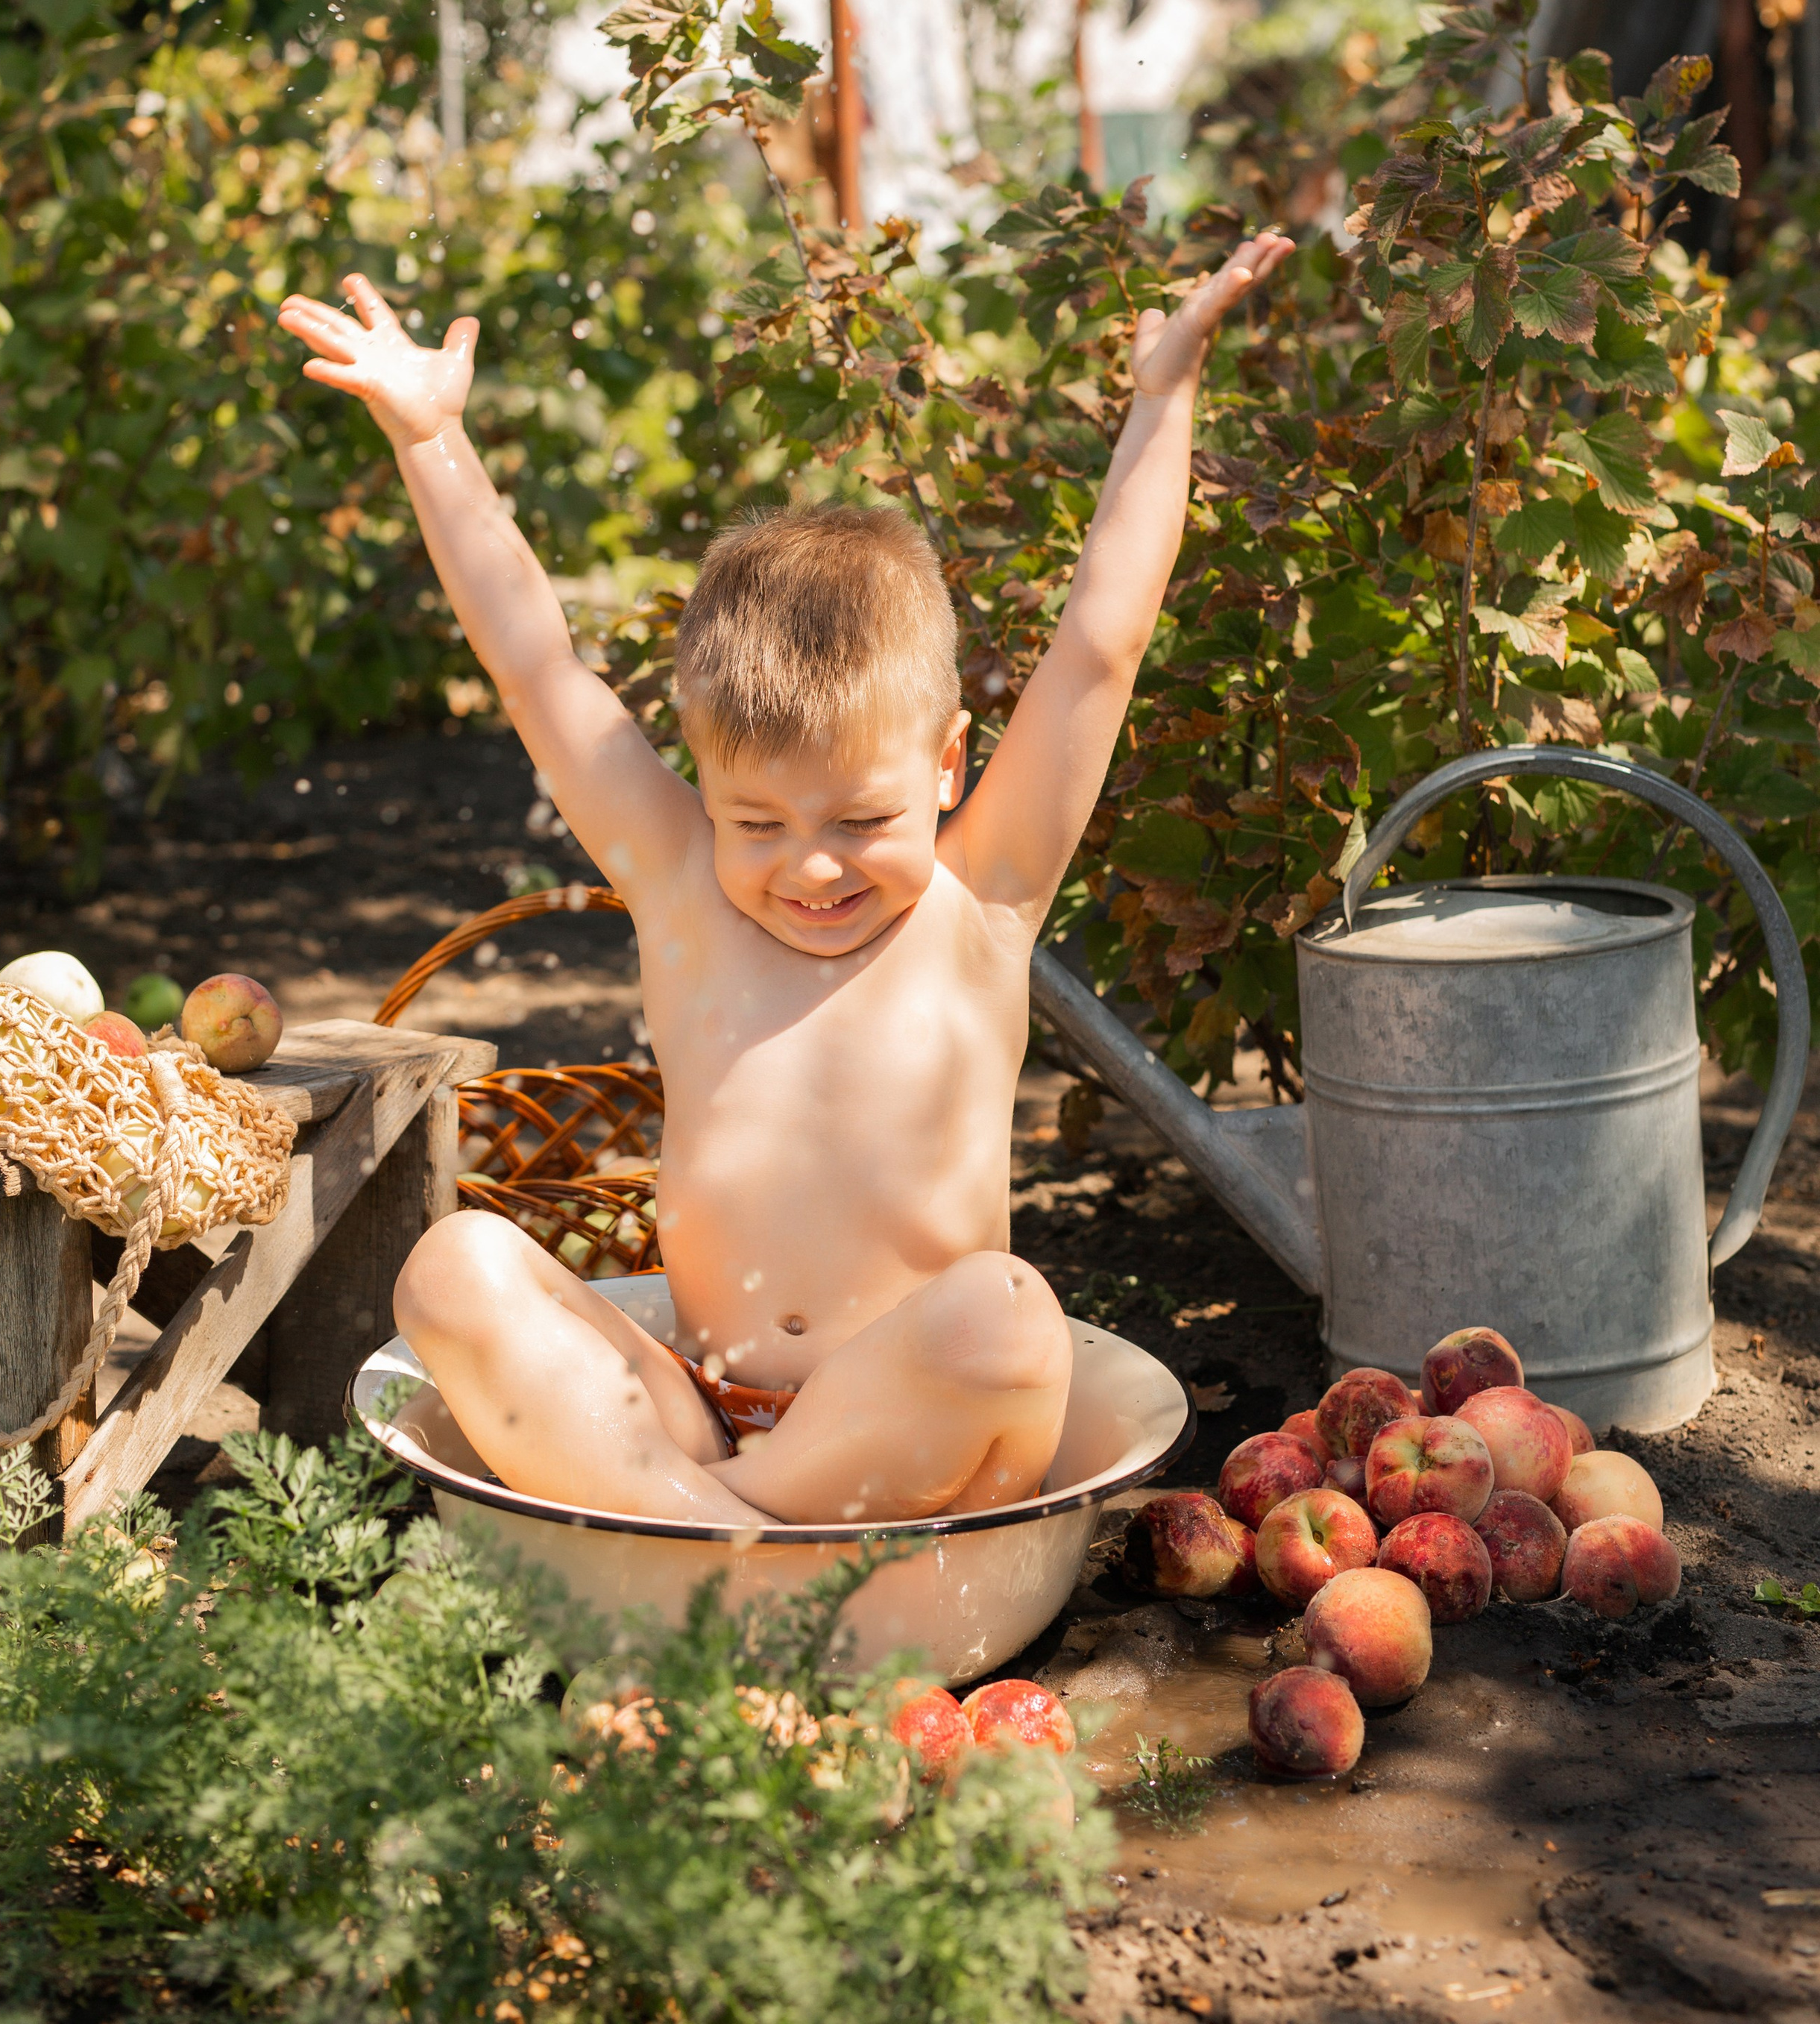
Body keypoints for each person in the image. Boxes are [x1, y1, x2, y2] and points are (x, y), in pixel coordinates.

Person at [277, 228, 1291, 1524]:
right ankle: (744, 1547)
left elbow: (1102, 640)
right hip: (702, 1418)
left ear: (945, 766)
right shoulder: (683, 883)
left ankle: (696, 1554)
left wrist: (1161, 403)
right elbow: (540, 667)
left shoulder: (982, 898)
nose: (811, 865)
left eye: (862, 816)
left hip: (923, 1435)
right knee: (452, 1269)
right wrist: (432, 442)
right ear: (701, 788)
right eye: (755, 822)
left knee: (1007, 1316)